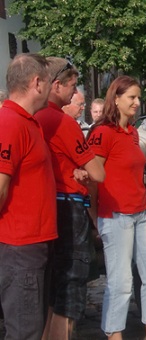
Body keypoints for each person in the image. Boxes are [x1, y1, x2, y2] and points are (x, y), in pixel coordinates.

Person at [87, 76, 146, 339]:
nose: (137, 102)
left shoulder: (132, 132)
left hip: (140, 214)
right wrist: (95, 217)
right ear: (116, 99)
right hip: (115, 216)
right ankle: (114, 335)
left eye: (138, 97)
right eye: (132, 97)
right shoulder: (102, 133)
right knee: (120, 284)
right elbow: (92, 178)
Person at [35, 57, 105, 340]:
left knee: (53, 282)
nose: (75, 93)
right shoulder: (62, 121)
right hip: (70, 205)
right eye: (72, 86)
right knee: (72, 280)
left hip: (47, 204)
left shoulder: (34, 118)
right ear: (56, 85)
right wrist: (86, 170)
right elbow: (98, 173)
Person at [0, 53, 57, 339]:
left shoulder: (28, 121)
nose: (51, 88)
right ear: (37, 83)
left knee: (31, 327)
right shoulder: (10, 122)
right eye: (49, 82)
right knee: (24, 331)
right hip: (20, 247)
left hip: (32, 245)